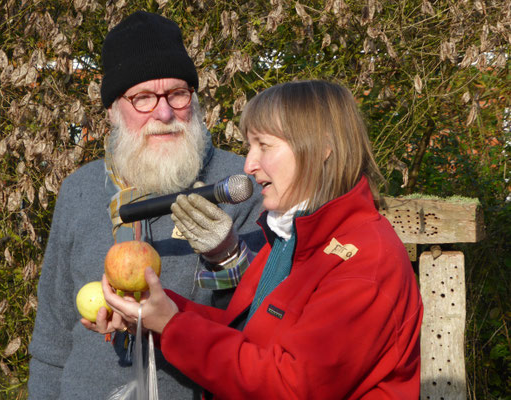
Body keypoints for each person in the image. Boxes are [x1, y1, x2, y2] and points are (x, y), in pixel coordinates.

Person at [102, 80, 424, 399]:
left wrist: (173, 325)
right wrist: (152, 311)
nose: (249, 165)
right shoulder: (290, 235)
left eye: (264, 146)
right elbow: (241, 334)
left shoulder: (366, 262)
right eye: (249, 147)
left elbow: (289, 386)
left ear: (323, 147)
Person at [27, 11, 265, 400]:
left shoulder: (236, 184)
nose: (165, 113)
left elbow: (263, 325)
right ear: (113, 109)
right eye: (143, 98)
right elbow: (52, 340)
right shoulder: (80, 189)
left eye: (177, 93)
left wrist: (229, 257)